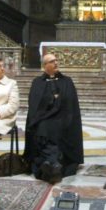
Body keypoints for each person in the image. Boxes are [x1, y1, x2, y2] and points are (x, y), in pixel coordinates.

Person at [23, 54, 84, 184]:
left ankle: (49, 163)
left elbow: (70, 102)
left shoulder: (67, 81)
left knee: (56, 129)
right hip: (43, 118)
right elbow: (34, 104)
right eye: (52, 61)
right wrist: (52, 99)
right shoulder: (37, 82)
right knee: (43, 128)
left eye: (56, 60)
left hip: (63, 117)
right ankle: (54, 164)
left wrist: (58, 100)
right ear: (45, 66)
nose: (56, 63)